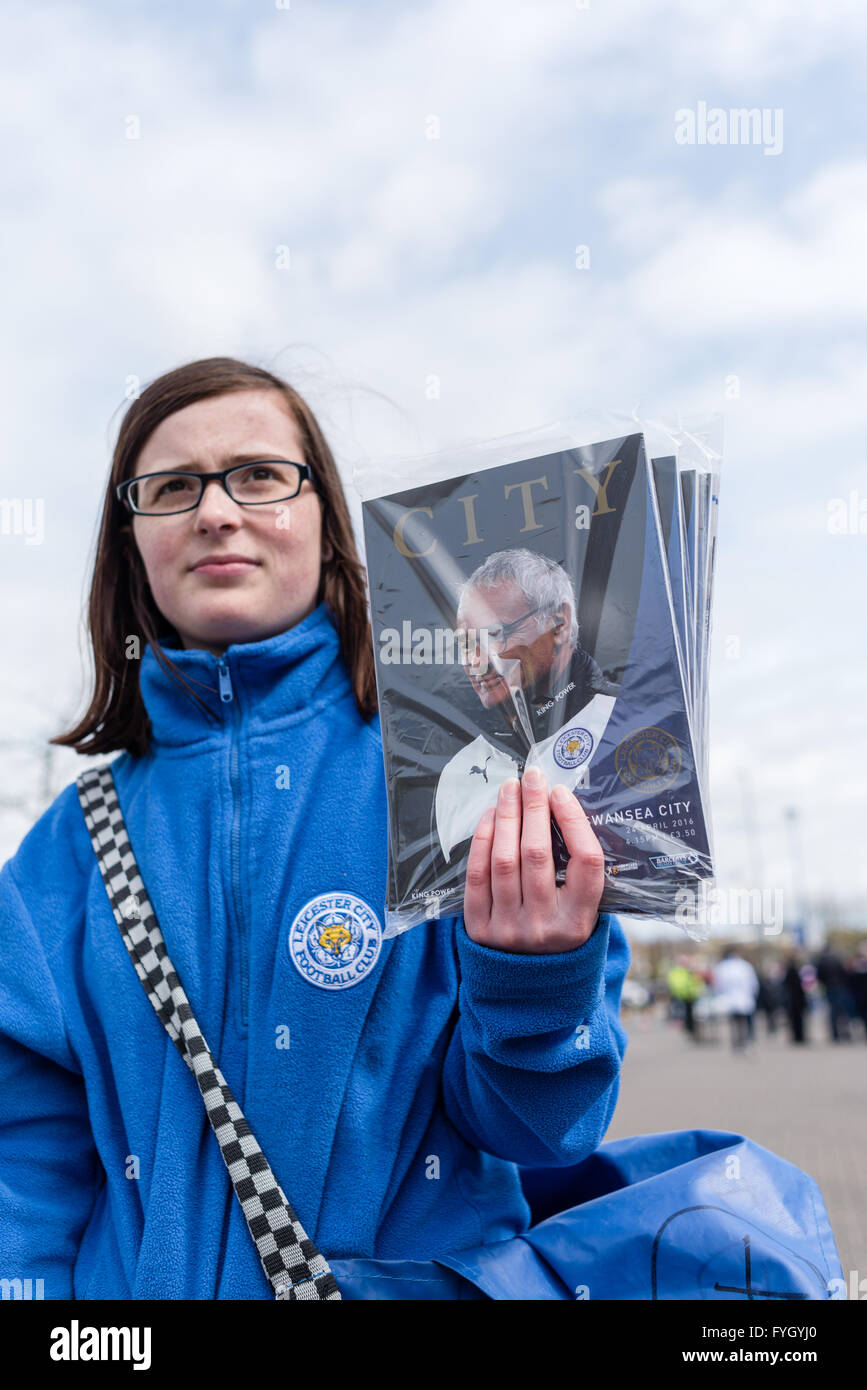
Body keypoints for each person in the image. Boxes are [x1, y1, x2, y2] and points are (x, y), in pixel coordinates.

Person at [0, 356, 630, 1301]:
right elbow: (26, 1171)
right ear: (131, 541)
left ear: (327, 522)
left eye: (258, 475)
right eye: (171, 488)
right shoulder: (61, 853)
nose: (216, 510)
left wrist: (534, 980)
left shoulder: (469, 776)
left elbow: (539, 1135)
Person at [436, 549, 620, 866]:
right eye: (466, 643)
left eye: (494, 634)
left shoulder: (627, 721)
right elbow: (441, 905)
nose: (475, 661)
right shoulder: (455, 771)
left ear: (559, 623)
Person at [711, 946, 759, 1054]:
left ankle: (738, 1044)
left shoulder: (722, 967)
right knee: (745, 1022)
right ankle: (746, 1040)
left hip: (731, 1000)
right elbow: (753, 983)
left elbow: (718, 985)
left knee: (734, 1023)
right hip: (744, 998)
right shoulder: (745, 966)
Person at [667, 954, 705, 1042]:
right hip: (682, 997)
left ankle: (693, 1031)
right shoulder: (677, 971)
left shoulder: (690, 971)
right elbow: (677, 984)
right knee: (685, 1015)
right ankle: (689, 1030)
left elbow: (698, 981)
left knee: (694, 1016)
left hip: (693, 996)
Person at [781, 951, 809, 1045]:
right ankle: (800, 1036)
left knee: (794, 1020)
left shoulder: (789, 974)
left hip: (792, 1000)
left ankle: (797, 1036)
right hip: (798, 1000)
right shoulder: (797, 973)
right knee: (799, 1019)